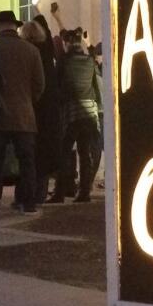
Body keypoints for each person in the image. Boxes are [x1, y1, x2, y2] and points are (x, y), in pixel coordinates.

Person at [0, 10, 44, 215]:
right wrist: (28, 100)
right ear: (16, 27)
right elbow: (39, 85)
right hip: (24, 116)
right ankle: (28, 202)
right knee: (27, 161)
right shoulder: (31, 50)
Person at [58, 28, 102, 202]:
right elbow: (95, 83)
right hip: (90, 110)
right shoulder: (89, 61)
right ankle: (85, 191)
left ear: (67, 44)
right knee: (85, 152)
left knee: (65, 151)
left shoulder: (64, 61)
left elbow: (59, 85)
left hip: (72, 110)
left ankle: (61, 191)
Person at [24, 13, 61, 205]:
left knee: (29, 153)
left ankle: (26, 194)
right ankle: (39, 194)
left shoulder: (28, 52)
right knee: (44, 152)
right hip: (50, 109)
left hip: (30, 107)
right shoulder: (49, 53)